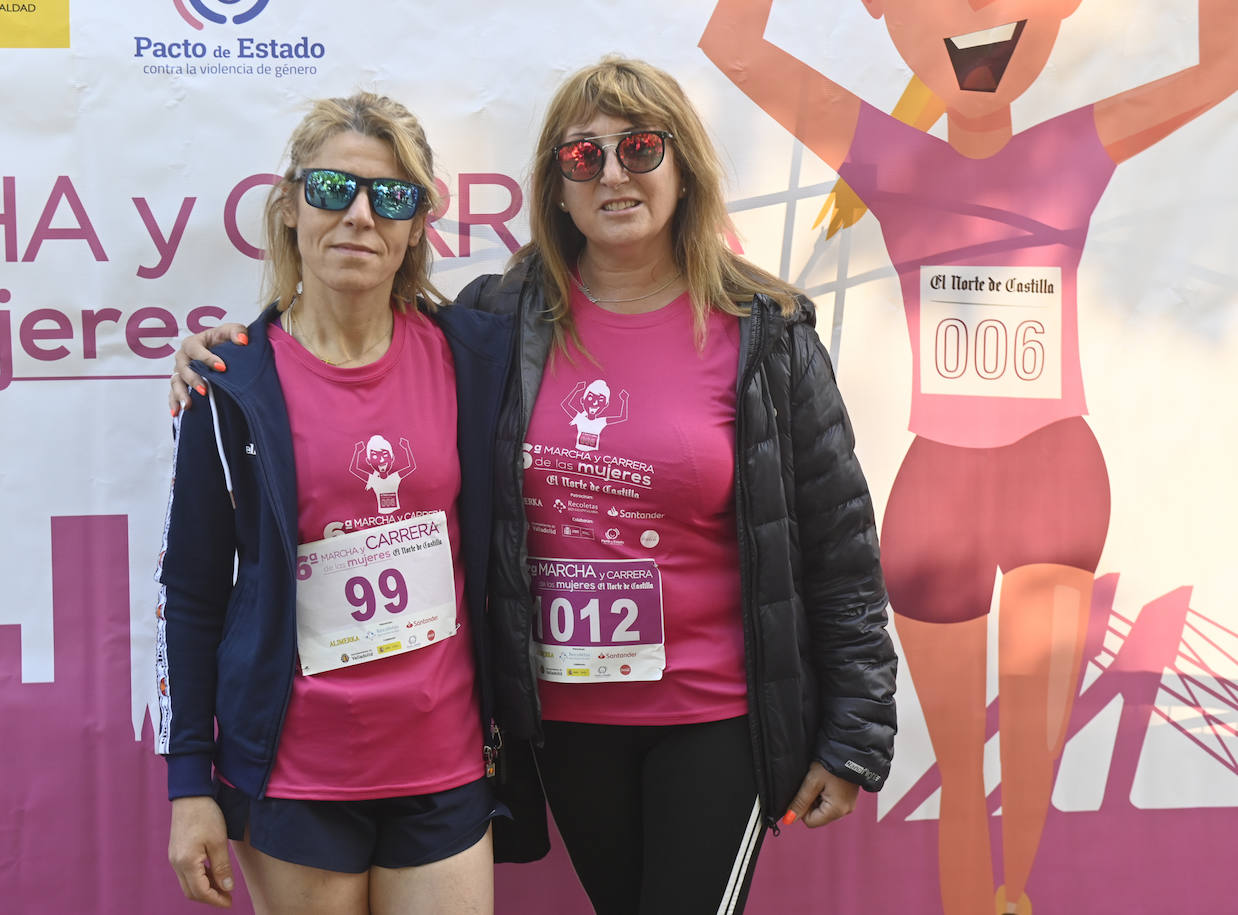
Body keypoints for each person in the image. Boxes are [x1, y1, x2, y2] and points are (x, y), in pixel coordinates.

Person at [171, 57, 897, 915]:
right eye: (583, 157)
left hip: (712, 715)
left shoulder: (764, 335)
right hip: (565, 720)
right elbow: (332, 358)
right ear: (555, 184)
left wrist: (854, 733)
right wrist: (223, 357)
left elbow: (838, 544)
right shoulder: (498, 324)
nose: (613, 173)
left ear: (684, 168)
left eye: (640, 148)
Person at [700, 3, 1238, 912]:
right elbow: (733, 45)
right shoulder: (889, 155)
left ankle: (1013, 896)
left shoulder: (1076, 142)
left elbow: (1218, 67)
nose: (975, 14)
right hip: (937, 490)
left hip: (1054, 475)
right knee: (956, 765)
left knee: (1030, 752)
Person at [154, 92, 515, 914]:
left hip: (444, 764)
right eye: (331, 190)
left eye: (391, 197)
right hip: (295, 774)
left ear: (417, 224)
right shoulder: (231, 384)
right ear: (288, 209)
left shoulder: (476, 356)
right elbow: (194, 592)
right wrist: (188, 781)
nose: (358, 216)